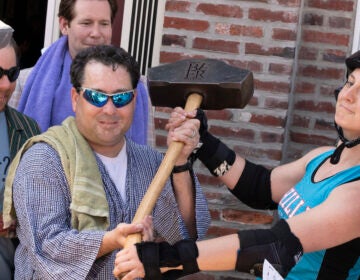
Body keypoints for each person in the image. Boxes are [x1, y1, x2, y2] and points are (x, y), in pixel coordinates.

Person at [113, 51, 360, 280]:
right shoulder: (323, 158)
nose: (348, 95)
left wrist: (161, 259)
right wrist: (201, 142)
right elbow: (259, 187)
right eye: (350, 82)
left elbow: (274, 247)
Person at [2, 44, 210, 279]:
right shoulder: (44, 159)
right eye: (97, 96)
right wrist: (111, 240)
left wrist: (180, 163)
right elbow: (47, 246)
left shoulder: (151, 163)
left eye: (121, 97)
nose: (109, 109)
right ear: (75, 98)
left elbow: (188, 239)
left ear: (134, 100)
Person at [8, 0, 153, 146]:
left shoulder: (137, 88)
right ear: (64, 25)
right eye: (86, 23)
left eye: (104, 24)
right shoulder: (24, 82)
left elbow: (149, 160)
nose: (96, 33)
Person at [0, 24, 41, 280]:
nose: (5, 84)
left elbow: (41, 209)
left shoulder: (26, 129)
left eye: (12, 73)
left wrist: (18, 221)